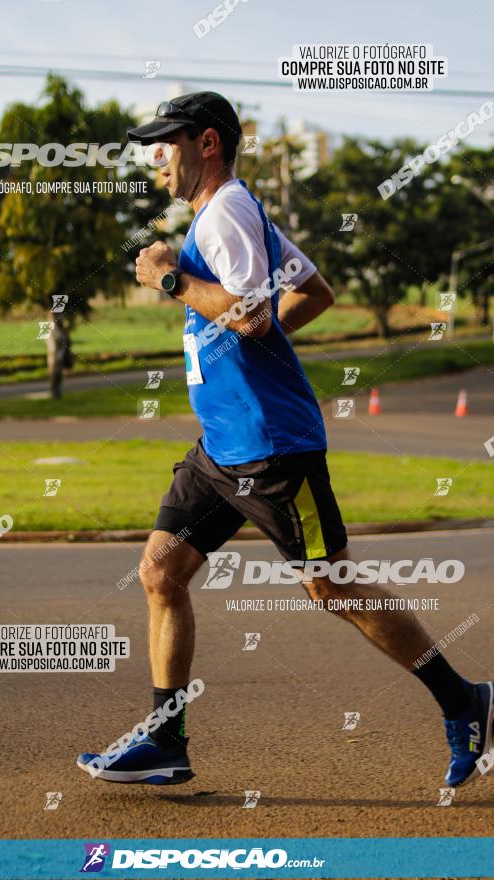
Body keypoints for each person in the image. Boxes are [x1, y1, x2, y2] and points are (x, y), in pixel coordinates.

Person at [78, 91, 493, 788]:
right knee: (161, 570)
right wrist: (245, 346)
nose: (157, 157)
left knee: (331, 586)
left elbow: (252, 316)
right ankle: (164, 738)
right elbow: (313, 292)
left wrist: (168, 279)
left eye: (167, 142)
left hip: (272, 451)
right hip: (220, 449)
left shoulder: (227, 213)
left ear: (206, 143)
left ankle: (466, 702)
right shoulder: (230, 214)